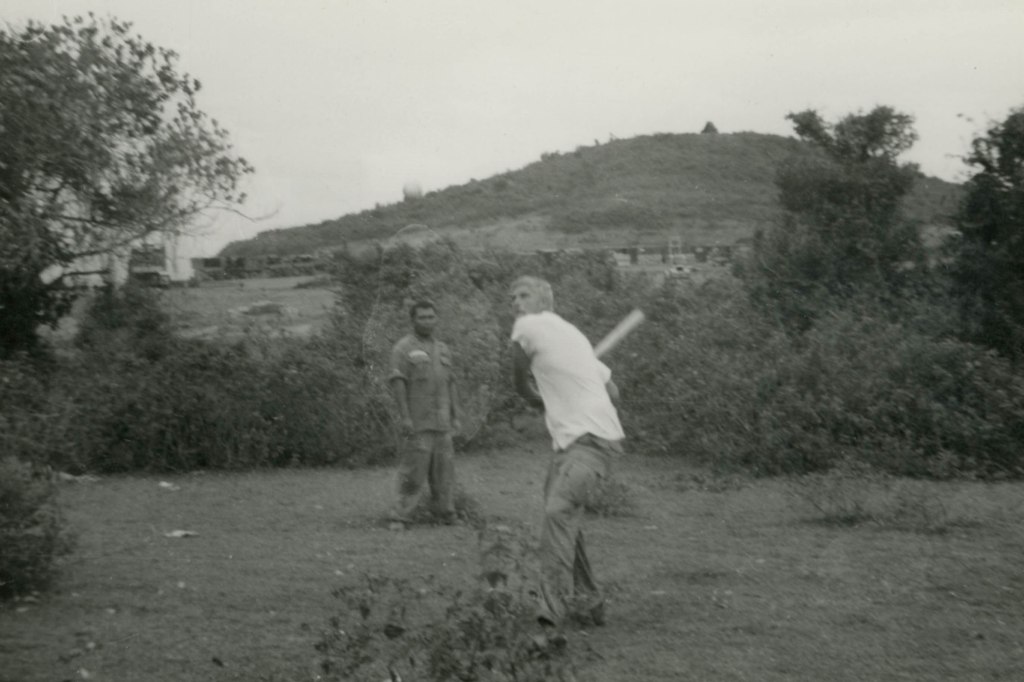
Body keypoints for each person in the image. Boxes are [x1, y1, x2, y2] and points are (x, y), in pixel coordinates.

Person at [509, 275, 625, 628]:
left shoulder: (529, 324)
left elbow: (516, 377)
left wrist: (534, 399)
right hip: (576, 445)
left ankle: (551, 611)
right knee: (563, 522)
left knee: (557, 514)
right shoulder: (575, 337)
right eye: (513, 297)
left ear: (545, 300)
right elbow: (614, 392)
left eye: (524, 294)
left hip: (589, 445)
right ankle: (589, 604)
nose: (516, 302)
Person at [388, 299, 461, 528]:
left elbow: (451, 382)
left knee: (444, 472)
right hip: (418, 422)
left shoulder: (443, 349)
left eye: (431, 317)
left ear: (436, 319)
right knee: (413, 472)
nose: (428, 321)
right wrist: (405, 417)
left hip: (442, 423)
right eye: (422, 317)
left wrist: (456, 414)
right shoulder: (403, 348)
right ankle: (400, 517)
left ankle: (446, 514)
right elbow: (398, 382)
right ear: (413, 320)